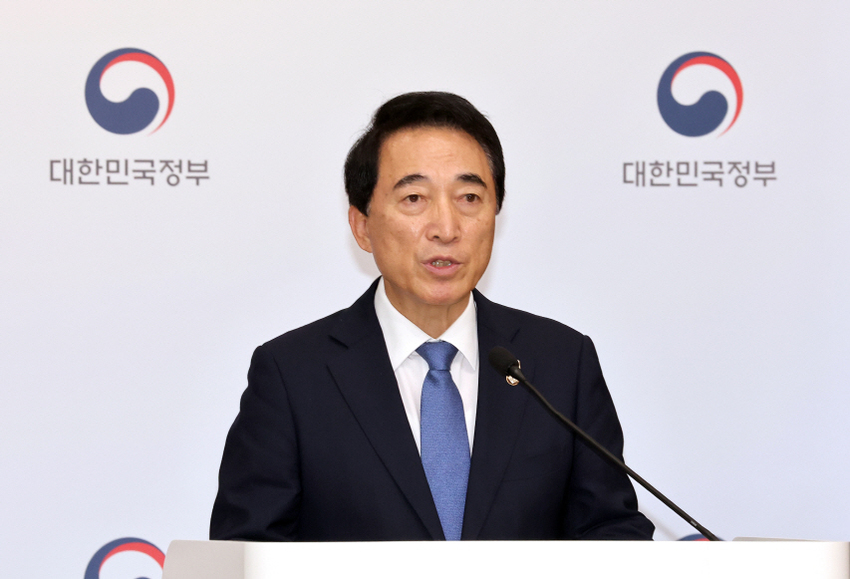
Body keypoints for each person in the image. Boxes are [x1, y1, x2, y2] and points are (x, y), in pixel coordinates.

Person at [210, 92, 654, 541]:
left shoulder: (560, 362)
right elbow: (245, 550)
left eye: (469, 197)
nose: (446, 228)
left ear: (495, 213)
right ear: (362, 226)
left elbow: (611, 531)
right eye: (414, 198)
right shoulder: (293, 374)